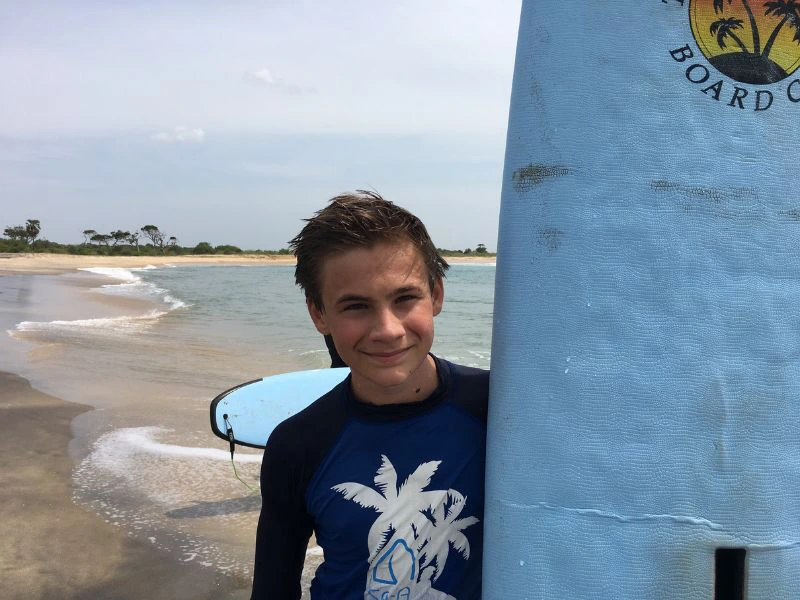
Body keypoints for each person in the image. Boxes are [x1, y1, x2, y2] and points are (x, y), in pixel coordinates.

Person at [251, 191, 489, 599]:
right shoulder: (298, 444)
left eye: (405, 298)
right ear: (319, 314)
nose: (388, 330)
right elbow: (273, 590)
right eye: (356, 306)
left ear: (436, 294)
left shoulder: (496, 409)